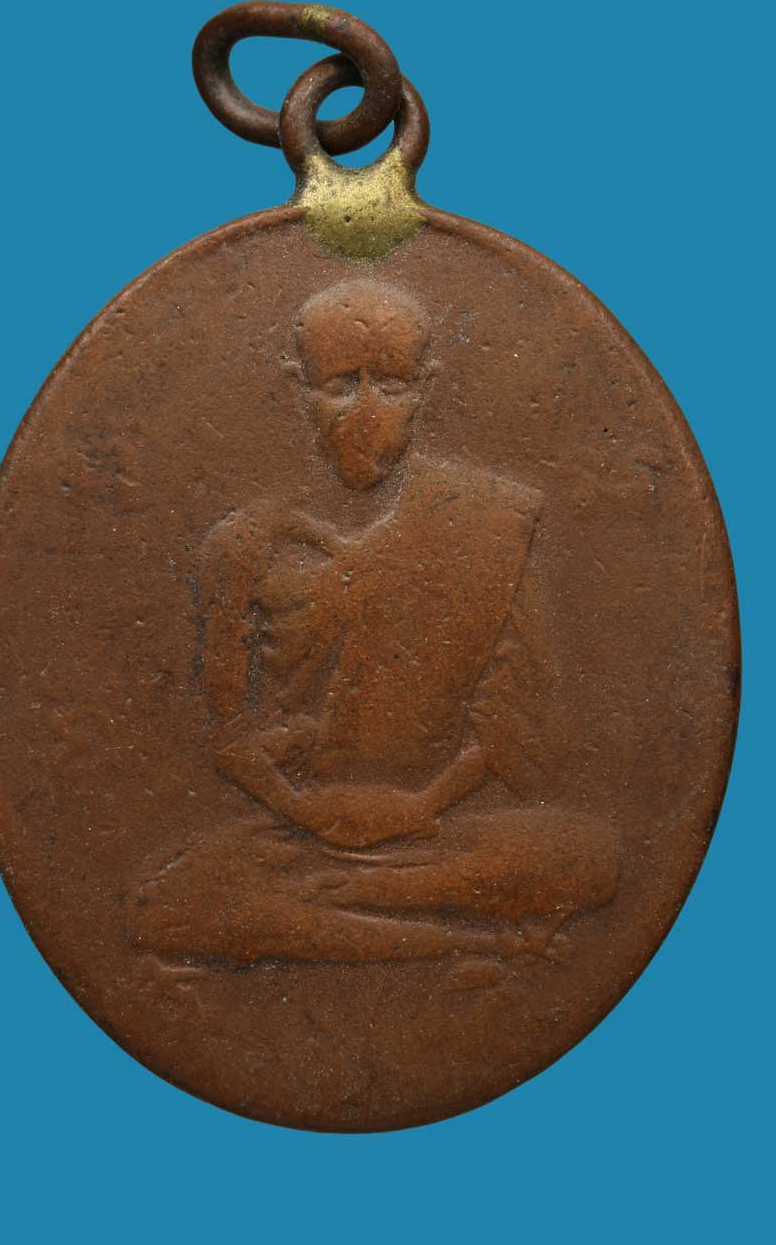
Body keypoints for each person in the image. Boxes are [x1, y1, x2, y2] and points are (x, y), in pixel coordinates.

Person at [130, 279, 618, 966]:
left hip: (438, 832)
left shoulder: (493, 522)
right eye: (340, 386)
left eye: (390, 386)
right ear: (298, 388)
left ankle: (369, 907)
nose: (365, 412)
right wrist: (303, 810)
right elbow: (228, 733)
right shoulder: (241, 544)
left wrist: (421, 806)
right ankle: (466, 939)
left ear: (426, 387)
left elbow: (513, 729)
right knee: (166, 908)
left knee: (588, 856)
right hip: (293, 837)